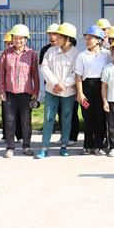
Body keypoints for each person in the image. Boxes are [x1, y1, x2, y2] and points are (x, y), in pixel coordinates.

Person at [0, 24, 39, 158]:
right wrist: (1, 90)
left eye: (21, 38)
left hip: (26, 93)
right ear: (12, 39)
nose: (18, 41)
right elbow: (0, 73)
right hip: (9, 93)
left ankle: (26, 146)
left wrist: (35, 92)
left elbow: (35, 75)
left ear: (26, 39)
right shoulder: (6, 54)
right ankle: (10, 147)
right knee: (9, 120)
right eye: (15, 38)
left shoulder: (31, 54)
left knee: (26, 120)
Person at [38, 22, 78, 159]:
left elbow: (76, 72)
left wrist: (64, 84)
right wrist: (55, 83)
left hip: (68, 91)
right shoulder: (50, 51)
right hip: (52, 90)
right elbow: (44, 68)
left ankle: (64, 146)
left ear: (68, 38)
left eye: (60, 36)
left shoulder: (76, 53)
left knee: (66, 117)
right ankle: (44, 147)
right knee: (48, 117)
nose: (56, 38)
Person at [75, 25, 111, 155]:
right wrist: (80, 93)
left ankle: (98, 145)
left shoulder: (107, 54)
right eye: (86, 38)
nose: (87, 41)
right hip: (86, 88)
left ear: (98, 40)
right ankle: (87, 145)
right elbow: (78, 76)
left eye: (90, 38)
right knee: (87, 117)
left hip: (101, 87)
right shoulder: (82, 55)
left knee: (100, 117)